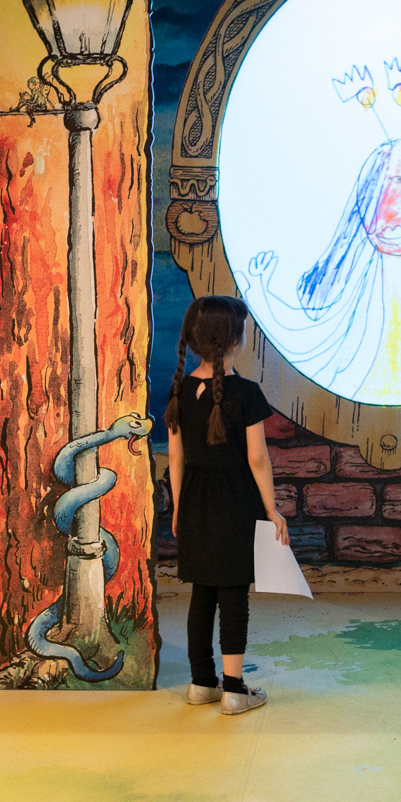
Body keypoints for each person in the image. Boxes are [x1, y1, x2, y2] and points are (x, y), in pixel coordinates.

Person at [165, 295, 288, 715]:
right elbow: (257, 458)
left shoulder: (180, 390)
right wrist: (271, 509)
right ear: (233, 340)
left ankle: (202, 683)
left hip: (195, 501)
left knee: (202, 591)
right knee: (233, 594)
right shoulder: (247, 393)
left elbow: (176, 458)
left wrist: (178, 507)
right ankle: (235, 688)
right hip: (236, 503)